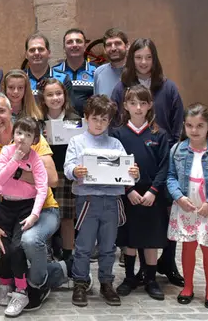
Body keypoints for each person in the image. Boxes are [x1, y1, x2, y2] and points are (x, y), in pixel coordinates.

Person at [111, 38, 185, 286]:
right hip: (130, 177)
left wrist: (168, 152)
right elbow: (114, 126)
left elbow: (176, 124)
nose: (143, 62)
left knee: (160, 221)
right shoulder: (122, 87)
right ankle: (133, 275)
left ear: (155, 59)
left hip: (161, 163)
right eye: (138, 57)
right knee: (133, 228)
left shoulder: (168, 87)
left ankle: (166, 265)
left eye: (148, 57)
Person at [0, 92, 61, 312]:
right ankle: (51, 271)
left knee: (29, 240)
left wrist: (17, 173)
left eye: (1, 111)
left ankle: (38, 285)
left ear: (11, 113)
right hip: (8, 208)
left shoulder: (33, 139)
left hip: (43, 208)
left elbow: (52, 180)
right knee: (8, 249)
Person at [64, 95, 139, 308]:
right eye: (96, 118)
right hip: (87, 200)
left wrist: (134, 172)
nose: (99, 123)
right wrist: (75, 171)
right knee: (84, 245)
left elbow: (128, 172)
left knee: (108, 246)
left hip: (112, 201)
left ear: (110, 121)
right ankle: (80, 281)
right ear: (86, 117)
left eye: (104, 119)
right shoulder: (77, 142)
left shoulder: (115, 143)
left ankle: (106, 282)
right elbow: (68, 167)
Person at [167, 103, 208, 310]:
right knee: (188, 247)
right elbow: (170, 177)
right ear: (184, 126)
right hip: (186, 207)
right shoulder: (177, 150)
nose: (194, 131)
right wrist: (178, 197)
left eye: (199, 126)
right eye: (189, 125)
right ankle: (187, 286)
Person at [112, 85, 170, 301]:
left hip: (151, 195)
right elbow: (115, 165)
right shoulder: (117, 134)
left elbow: (164, 166)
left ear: (150, 106)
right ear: (125, 105)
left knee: (151, 239)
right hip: (128, 193)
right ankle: (129, 278)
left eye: (143, 103)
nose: (138, 108)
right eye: (133, 103)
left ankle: (151, 279)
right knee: (130, 239)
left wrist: (154, 191)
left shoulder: (159, 134)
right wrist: (128, 190)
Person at [0, 117, 48, 317]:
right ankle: (4, 284)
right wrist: (15, 159)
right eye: (19, 133)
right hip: (5, 205)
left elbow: (42, 187)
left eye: (28, 135)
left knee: (18, 247)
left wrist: (34, 215)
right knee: (5, 248)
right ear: (13, 134)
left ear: (35, 139)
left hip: (25, 207)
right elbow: (1, 177)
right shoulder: (6, 152)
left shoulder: (35, 158)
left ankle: (21, 291)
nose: (22, 138)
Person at [39, 78, 80, 263]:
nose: (55, 98)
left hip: (66, 174)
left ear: (65, 96)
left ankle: (68, 255)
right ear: (43, 98)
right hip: (44, 174)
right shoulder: (38, 121)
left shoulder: (75, 119)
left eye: (58, 93)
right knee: (45, 214)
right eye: (50, 94)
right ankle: (46, 253)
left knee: (67, 217)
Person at [52, 28, 98, 115]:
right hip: (60, 124)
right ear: (64, 48)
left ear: (85, 47)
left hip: (90, 125)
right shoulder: (54, 72)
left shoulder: (97, 71)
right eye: (69, 42)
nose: (74, 45)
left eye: (78, 41)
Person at [93, 28, 129, 96]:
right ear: (104, 49)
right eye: (109, 45)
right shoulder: (98, 73)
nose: (113, 48)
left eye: (117, 43)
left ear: (127, 46)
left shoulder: (137, 70)